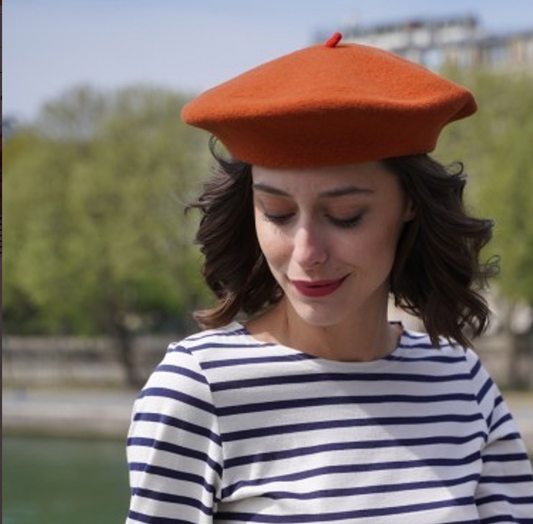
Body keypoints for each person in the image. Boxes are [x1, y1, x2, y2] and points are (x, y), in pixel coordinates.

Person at [125, 33, 533, 523]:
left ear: (409, 206)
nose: (307, 253)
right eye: (276, 213)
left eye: (345, 215)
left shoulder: (463, 383)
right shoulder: (198, 390)